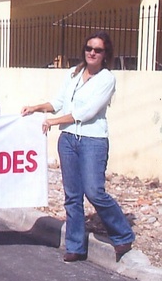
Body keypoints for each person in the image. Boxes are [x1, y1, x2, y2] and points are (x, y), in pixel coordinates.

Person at [21, 31, 135, 263]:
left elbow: (87, 112)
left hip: (93, 140)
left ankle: (123, 234)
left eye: (98, 50)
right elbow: (59, 102)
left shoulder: (107, 79)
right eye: (89, 48)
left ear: (105, 54)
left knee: (94, 191)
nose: (92, 53)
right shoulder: (72, 74)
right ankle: (75, 246)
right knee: (72, 195)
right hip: (69, 140)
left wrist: (53, 121)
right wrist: (36, 107)